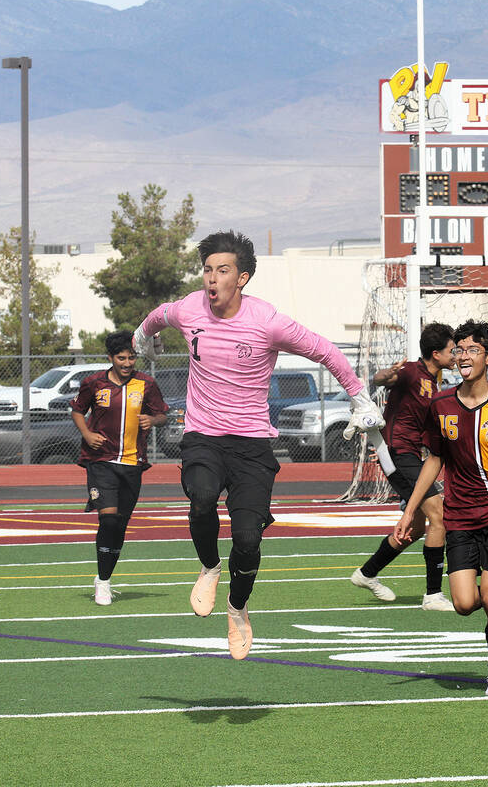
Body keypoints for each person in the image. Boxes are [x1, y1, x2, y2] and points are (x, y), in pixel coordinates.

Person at [132, 230, 382, 660]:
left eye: (222, 270)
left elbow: (325, 351)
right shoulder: (190, 307)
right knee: (202, 497)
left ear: (242, 277)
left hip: (251, 445)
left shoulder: (268, 321)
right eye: (207, 269)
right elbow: (158, 316)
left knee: (248, 539)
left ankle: (238, 609)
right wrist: (143, 340)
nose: (212, 278)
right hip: (203, 436)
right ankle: (209, 568)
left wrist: (360, 399)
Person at [395, 320, 488, 697]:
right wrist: (411, 510)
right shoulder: (440, 405)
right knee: (462, 604)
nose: (463, 356)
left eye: (472, 350)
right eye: (459, 350)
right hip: (459, 514)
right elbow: (433, 460)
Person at [350, 323, 455, 611]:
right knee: (439, 514)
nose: (456, 354)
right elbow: (381, 378)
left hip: (407, 455)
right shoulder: (411, 371)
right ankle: (433, 595)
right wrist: (386, 374)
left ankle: (367, 573)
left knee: (420, 525)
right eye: (452, 350)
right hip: (399, 453)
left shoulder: (435, 380)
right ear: (436, 353)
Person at [70, 331, 169, 606]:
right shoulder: (93, 383)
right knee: (109, 519)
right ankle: (102, 582)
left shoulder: (147, 384)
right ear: (110, 358)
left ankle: (106, 576)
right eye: (121, 358)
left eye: (132, 357)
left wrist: (154, 419)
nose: (127, 363)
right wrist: (87, 434)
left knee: (120, 525)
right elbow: (77, 410)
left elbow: (162, 413)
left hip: (132, 464)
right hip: (100, 461)